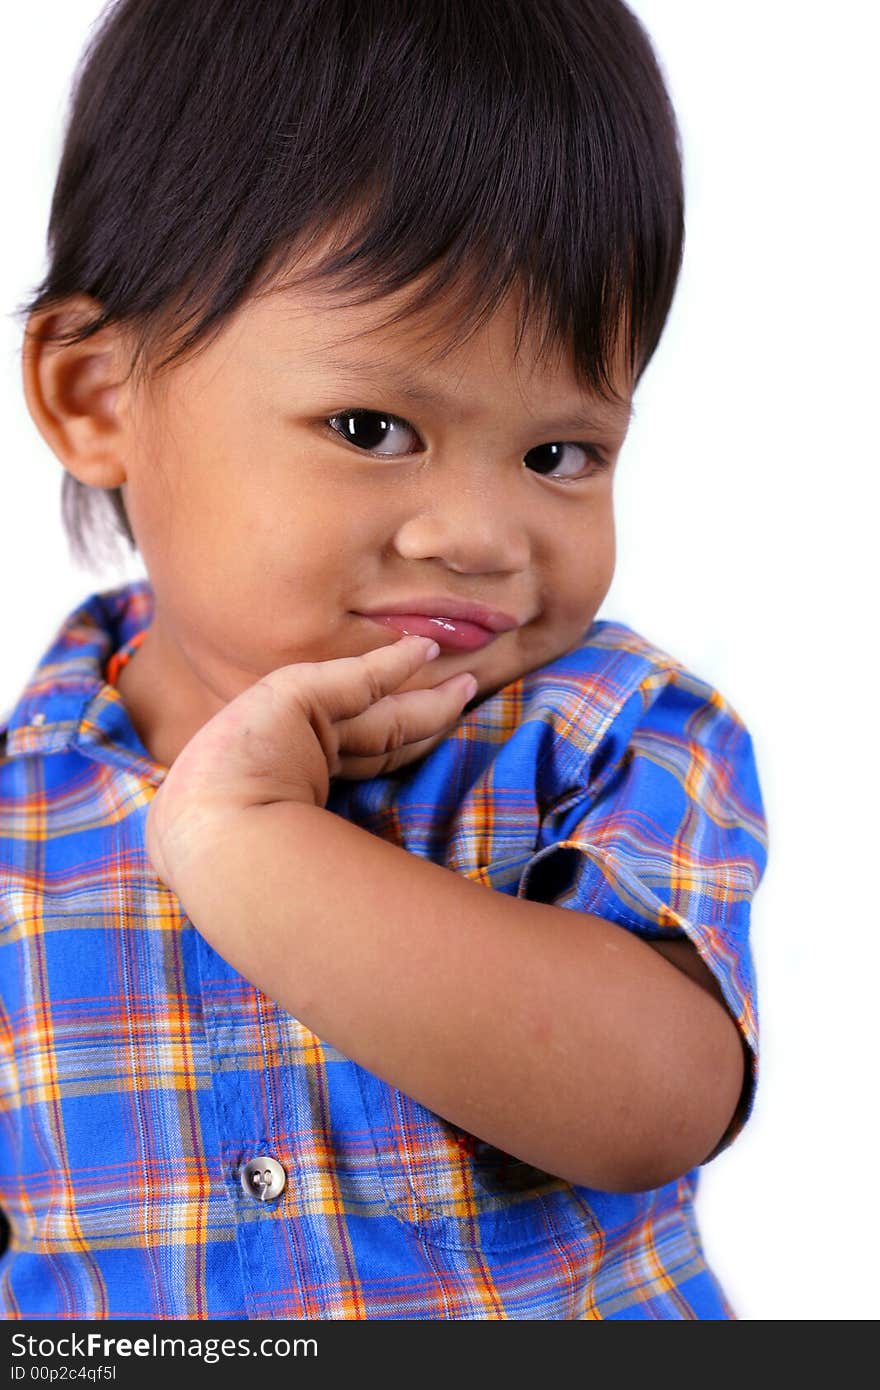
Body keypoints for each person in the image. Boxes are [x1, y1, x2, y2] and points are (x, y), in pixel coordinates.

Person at [0, 0, 767, 1319]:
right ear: (98, 398)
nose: (478, 535)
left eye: (559, 454)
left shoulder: (603, 729)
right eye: (373, 425)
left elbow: (658, 1099)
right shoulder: (21, 813)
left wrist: (255, 842)